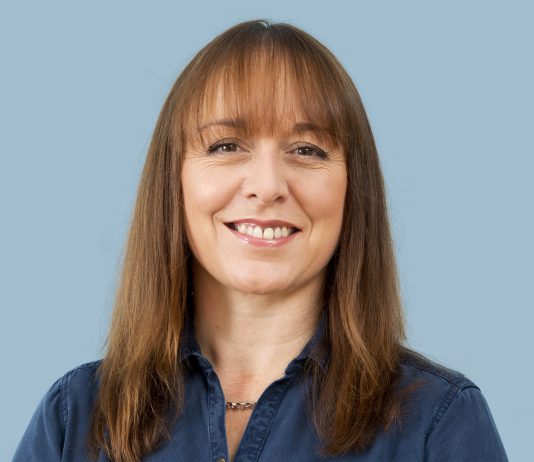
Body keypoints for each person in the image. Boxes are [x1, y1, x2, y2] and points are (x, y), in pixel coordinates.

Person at [13, 19, 508, 462]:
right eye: (226, 145)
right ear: (174, 181)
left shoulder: (439, 423)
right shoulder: (74, 417)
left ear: (353, 188)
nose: (267, 186)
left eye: (307, 150)